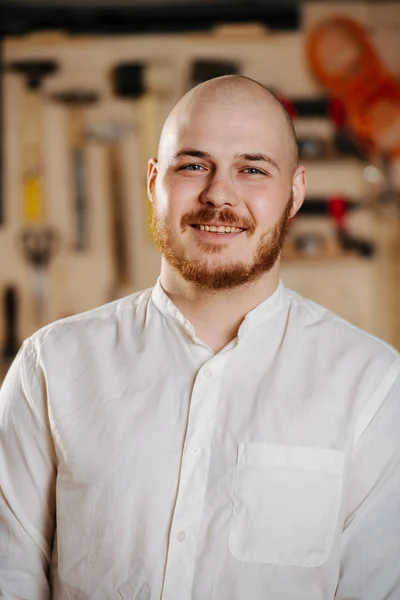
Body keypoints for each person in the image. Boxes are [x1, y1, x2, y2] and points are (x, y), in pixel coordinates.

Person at [0, 75, 399, 600]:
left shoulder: (372, 385)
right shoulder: (50, 366)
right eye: (193, 165)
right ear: (152, 183)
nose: (219, 194)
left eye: (252, 169)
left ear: (296, 192)